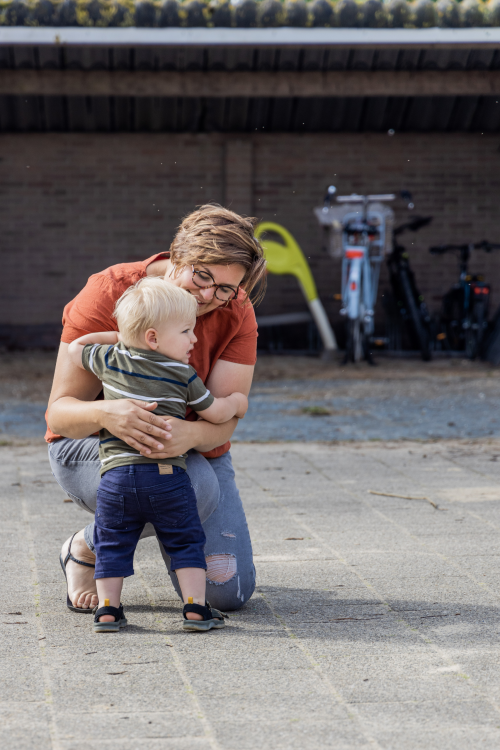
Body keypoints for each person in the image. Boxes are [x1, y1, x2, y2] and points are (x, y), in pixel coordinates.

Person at [47, 204, 267, 615]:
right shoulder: (110, 291)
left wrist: (192, 435)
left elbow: (227, 416)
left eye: (225, 288)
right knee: (193, 489)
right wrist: (107, 414)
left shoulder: (235, 310)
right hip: (95, 446)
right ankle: (90, 548)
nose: (207, 296)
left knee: (227, 593)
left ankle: (92, 540)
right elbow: (60, 414)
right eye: (202, 275)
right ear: (176, 256)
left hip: (190, 450)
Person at [67, 278, 248, 632]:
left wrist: (120, 338)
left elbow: (76, 348)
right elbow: (213, 412)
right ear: (153, 337)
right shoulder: (182, 373)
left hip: (116, 479)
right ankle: (195, 608)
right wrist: (236, 402)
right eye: (185, 332)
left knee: (114, 541)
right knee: (184, 539)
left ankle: (107, 610)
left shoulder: (108, 359)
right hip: (167, 476)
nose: (193, 340)